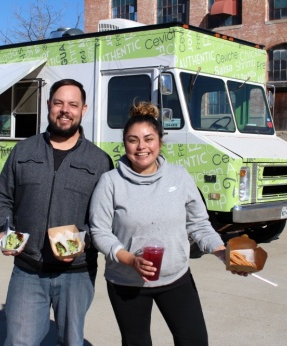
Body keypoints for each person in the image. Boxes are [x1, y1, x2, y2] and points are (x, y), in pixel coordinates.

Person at [89, 101, 246, 346]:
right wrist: (130, 259)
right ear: (124, 144)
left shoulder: (179, 176)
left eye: (149, 139)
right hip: (126, 282)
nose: (141, 147)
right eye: (133, 140)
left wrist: (222, 252)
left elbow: (198, 224)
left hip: (176, 278)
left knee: (194, 340)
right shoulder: (110, 182)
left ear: (160, 142)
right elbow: (99, 231)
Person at [0, 78, 114, 346]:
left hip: (77, 274)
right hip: (28, 270)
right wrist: (2, 231)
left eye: (73, 104)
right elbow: (1, 197)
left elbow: (107, 219)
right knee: (18, 341)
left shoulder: (99, 161)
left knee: (71, 342)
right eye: (58, 103)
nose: (65, 110)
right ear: (48, 105)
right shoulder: (23, 151)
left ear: (84, 109)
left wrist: (82, 242)